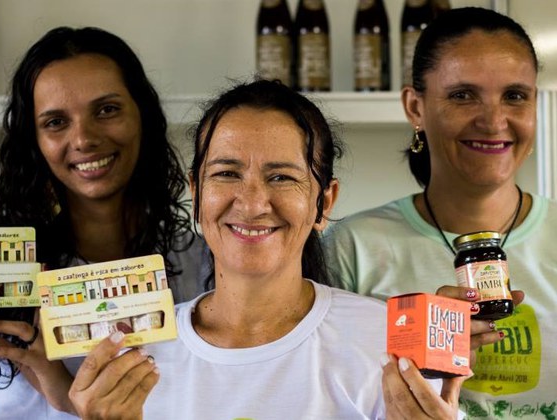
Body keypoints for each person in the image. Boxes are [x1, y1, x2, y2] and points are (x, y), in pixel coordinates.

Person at [66, 79, 479, 419]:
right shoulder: (133, 359)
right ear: (196, 193)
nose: (252, 203)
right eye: (226, 173)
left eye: (281, 177)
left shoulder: (386, 349)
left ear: (325, 203)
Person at [0, 26, 208, 419]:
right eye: (56, 122)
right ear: (34, 141)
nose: (84, 138)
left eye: (106, 109)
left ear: (142, 115)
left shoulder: (207, 268)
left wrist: (64, 394)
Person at [322, 7, 556, 418]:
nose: (493, 120)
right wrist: (425, 360)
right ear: (415, 107)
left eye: (515, 96)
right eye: (463, 95)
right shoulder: (352, 248)